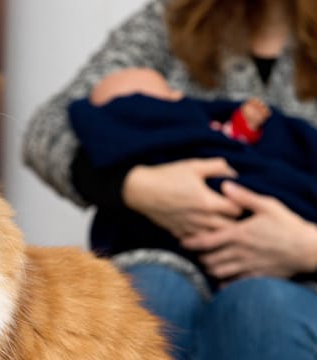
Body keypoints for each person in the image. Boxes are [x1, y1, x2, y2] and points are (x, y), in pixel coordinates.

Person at [23, 0, 317, 359]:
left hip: (301, 281)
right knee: (151, 295)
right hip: (162, 256)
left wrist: (305, 246)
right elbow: (46, 132)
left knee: (262, 309)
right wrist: (137, 187)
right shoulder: (169, 22)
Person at [89, 67, 270, 144]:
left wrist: (244, 124)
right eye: (166, 93)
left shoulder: (197, 127)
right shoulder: (168, 140)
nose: (178, 94)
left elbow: (227, 139)